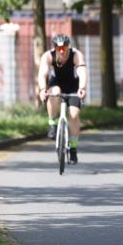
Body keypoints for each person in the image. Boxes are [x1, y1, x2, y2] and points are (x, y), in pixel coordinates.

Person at [37, 34, 87, 164]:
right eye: (59, 48)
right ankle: (53, 124)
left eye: (64, 48)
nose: (62, 51)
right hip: (56, 83)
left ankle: (73, 149)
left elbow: (82, 72)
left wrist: (82, 88)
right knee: (54, 93)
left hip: (73, 86)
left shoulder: (76, 55)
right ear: (54, 48)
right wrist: (42, 90)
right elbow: (42, 74)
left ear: (68, 47)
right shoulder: (48, 56)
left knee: (74, 115)